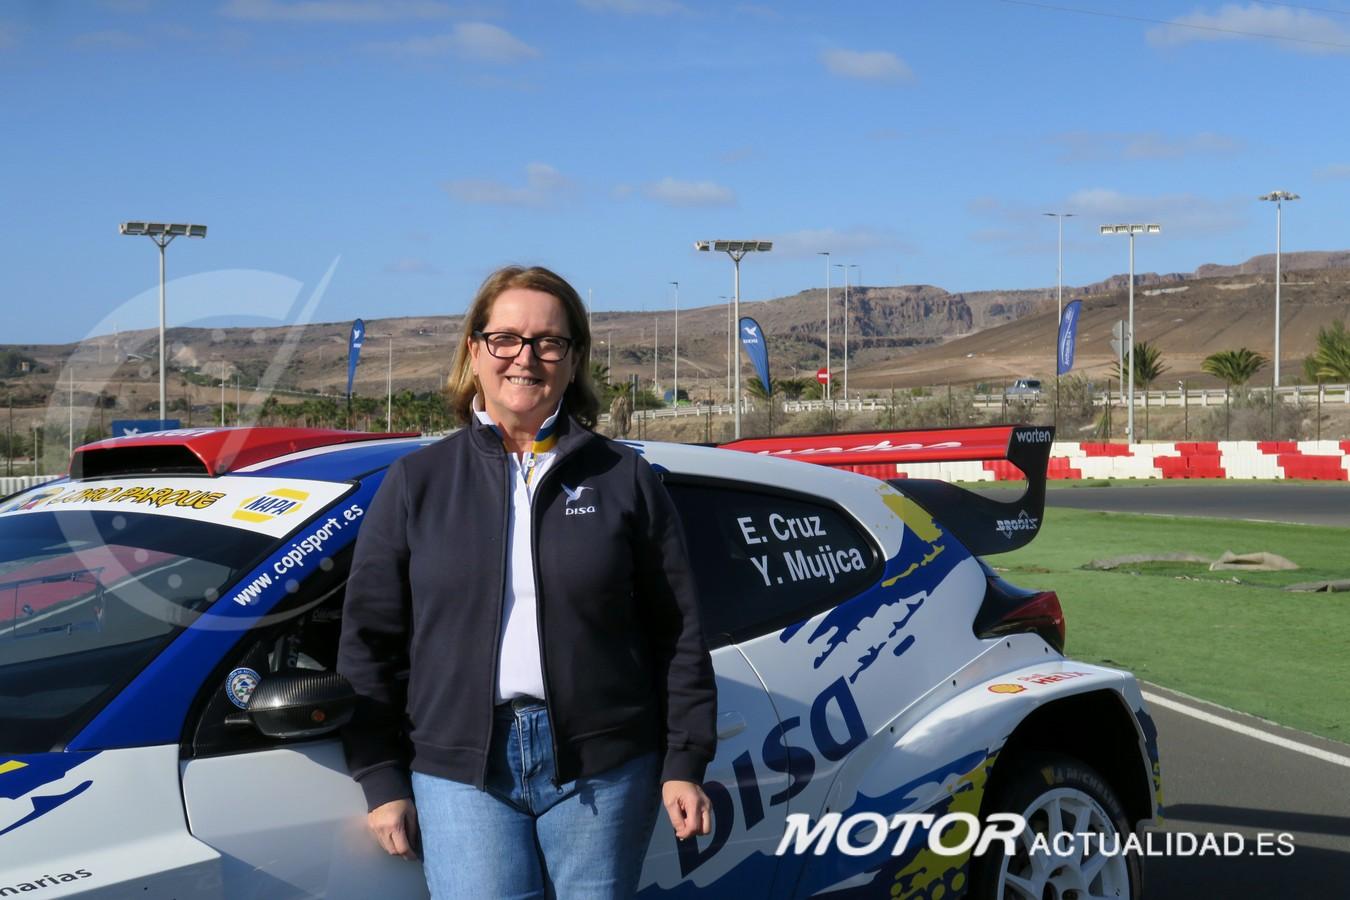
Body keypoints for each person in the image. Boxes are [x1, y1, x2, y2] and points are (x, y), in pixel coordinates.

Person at [338, 265, 717, 899]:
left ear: (574, 359)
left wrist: (684, 760)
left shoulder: (623, 478)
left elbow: (677, 630)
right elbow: (368, 641)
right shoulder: (415, 483)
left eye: (549, 342)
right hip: (461, 773)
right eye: (506, 339)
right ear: (474, 351)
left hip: (604, 768)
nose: (526, 357)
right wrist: (380, 776)